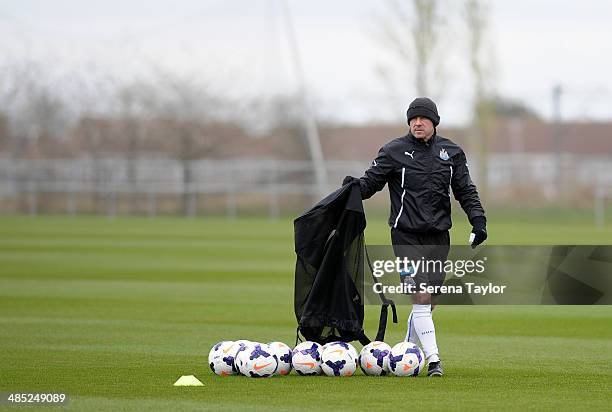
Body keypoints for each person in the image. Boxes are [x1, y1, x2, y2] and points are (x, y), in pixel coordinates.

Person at [343, 97, 487, 377]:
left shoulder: (451, 152)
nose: (417, 123)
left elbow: (465, 190)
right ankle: (434, 360)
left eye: (422, 118)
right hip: (405, 236)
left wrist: (478, 220)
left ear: (434, 121)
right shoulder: (393, 151)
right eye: (412, 119)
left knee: (430, 300)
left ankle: (406, 351)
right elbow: (370, 184)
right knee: (419, 295)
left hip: (438, 238)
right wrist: (351, 188)